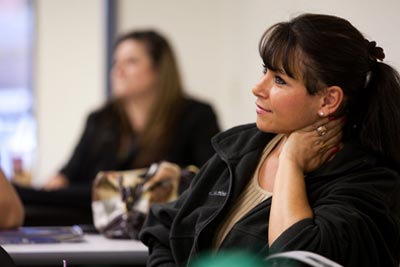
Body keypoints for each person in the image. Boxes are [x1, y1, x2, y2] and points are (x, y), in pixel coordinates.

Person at [140, 14, 400, 267]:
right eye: (265, 70)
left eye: (279, 80)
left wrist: (291, 162)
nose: (257, 88)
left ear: (328, 100)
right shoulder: (242, 145)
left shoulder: (367, 182)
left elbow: (295, 258)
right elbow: (165, 229)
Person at [44, 30, 220, 190]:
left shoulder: (196, 116)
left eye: (131, 62)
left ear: (159, 69)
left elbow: (214, 181)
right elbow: (68, 174)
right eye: (115, 62)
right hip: (93, 218)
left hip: (165, 221)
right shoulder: (100, 119)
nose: (117, 71)